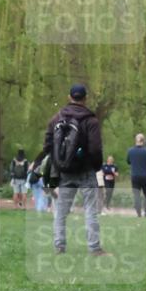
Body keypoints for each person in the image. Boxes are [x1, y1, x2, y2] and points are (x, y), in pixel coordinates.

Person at [41, 84, 107, 255]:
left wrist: (59, 162)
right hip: (86, 171)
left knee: (61, 210)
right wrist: (96, 166)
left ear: (69, 97)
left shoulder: (56, 119)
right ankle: (94, 248)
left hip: (65, 172)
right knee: (91, 210)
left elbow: (48, 145)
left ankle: (59, 246)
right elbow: (95, 149)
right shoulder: (91, 121)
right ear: (85, 98)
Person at [127, 133, 146, 217]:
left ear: (135, 141)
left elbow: (128, 161)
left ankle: (138, 213)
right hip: (145, 175)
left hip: (135, 176)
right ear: (143, 141)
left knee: (136, 195)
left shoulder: (130, 151)